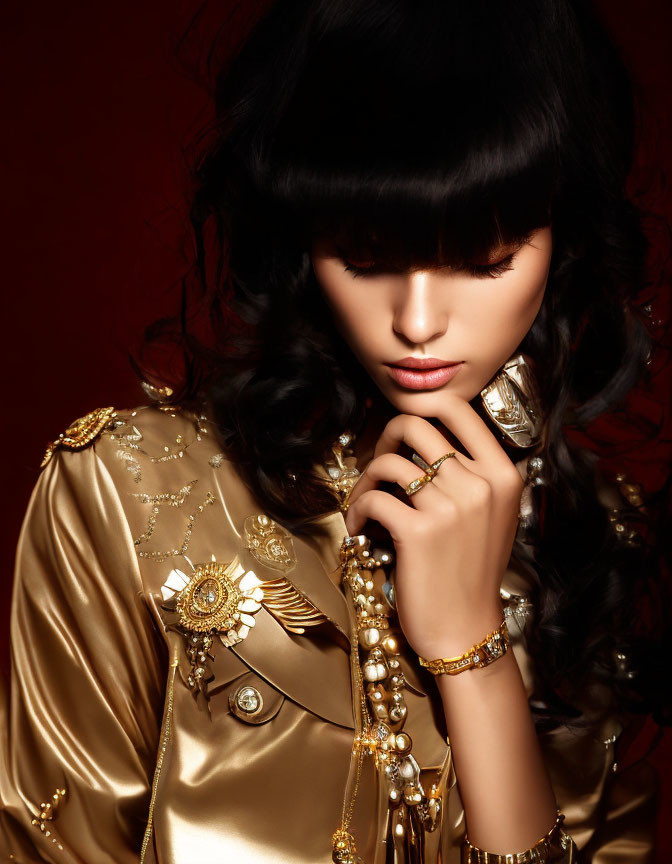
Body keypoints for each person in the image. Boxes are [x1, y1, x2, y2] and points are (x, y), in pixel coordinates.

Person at [1, 0, 669, 861]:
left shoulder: (595, 539)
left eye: (485, 257)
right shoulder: (129, 493)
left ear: (563, 242)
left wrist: (476, 652)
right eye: (366, 254)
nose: (418, 321)